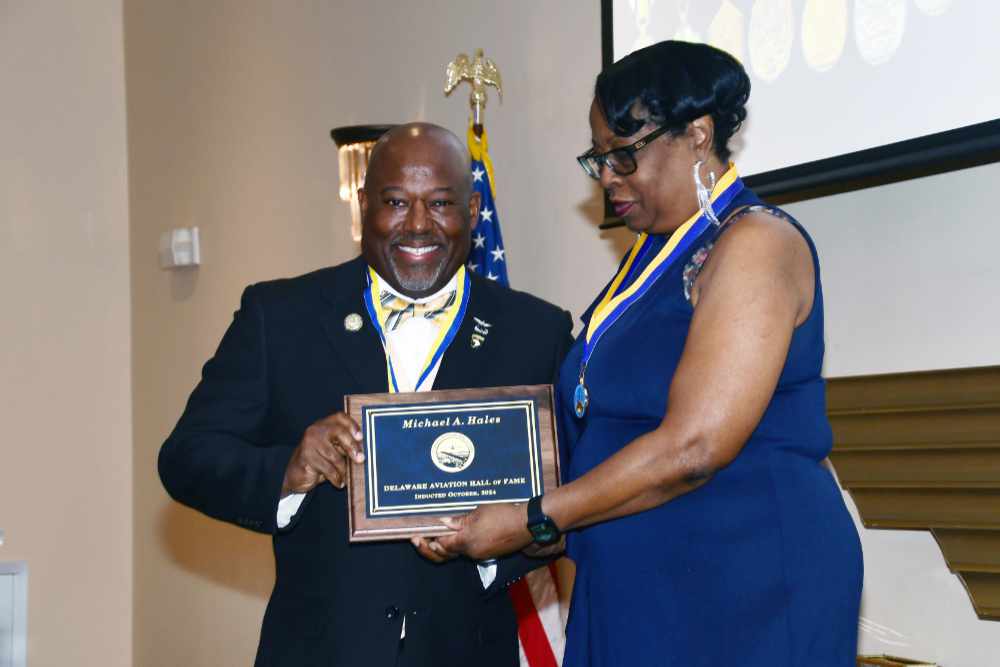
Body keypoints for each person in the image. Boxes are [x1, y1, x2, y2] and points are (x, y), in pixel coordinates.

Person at [430, 41, 864, 665]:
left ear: (697, 134)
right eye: (598, 158)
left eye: (624, 155)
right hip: (642, 580)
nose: (607, 176)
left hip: (746, 578)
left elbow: (694, 447)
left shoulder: (756, 243)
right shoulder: (653, 255)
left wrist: (532, 518)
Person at [158, 122, 573, 667]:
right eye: (396, 202)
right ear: (363, 205)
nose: (419, 225)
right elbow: (186, 457)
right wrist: (290, 469)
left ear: (473, 211)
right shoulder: (281, 317)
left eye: (441, 203)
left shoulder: (535, 332)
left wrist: (510, 542)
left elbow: (574, 495)